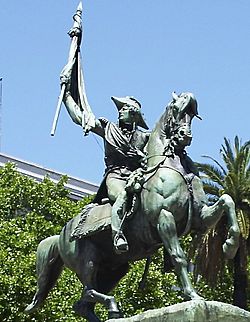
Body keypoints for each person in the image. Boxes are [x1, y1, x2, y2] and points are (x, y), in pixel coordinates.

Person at [63, 88, 149, 254]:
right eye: (120, 109)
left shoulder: (144, 137)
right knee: (122, 196)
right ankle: (118, 235)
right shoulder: (108, 128)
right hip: (116, 177)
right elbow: (79, 117)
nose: (120, 112)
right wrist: (67, 95)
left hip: (137, 177)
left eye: (124, 109)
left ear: (133, 114)